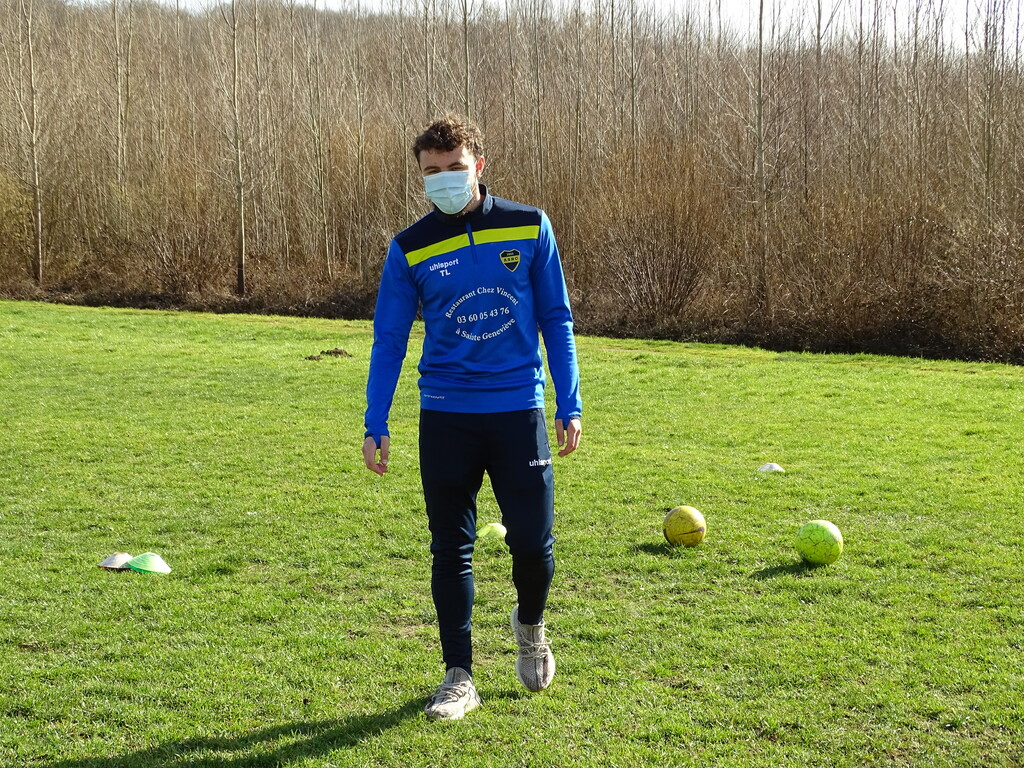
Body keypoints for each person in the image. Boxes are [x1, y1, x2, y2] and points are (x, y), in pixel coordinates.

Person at [362, 114, 582, 720]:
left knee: (533, 547)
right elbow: (389, 338)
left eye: (454, 167)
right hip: (446, 416)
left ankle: (530, 624)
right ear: (419, 176)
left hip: (518, 412)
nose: (443, 179)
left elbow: (556, 319)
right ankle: (458, 675)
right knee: (450, 549)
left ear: (478, 166)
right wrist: (376, 420)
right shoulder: (409, 247)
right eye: (431, 171)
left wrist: (569, 402)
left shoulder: (529, 225)